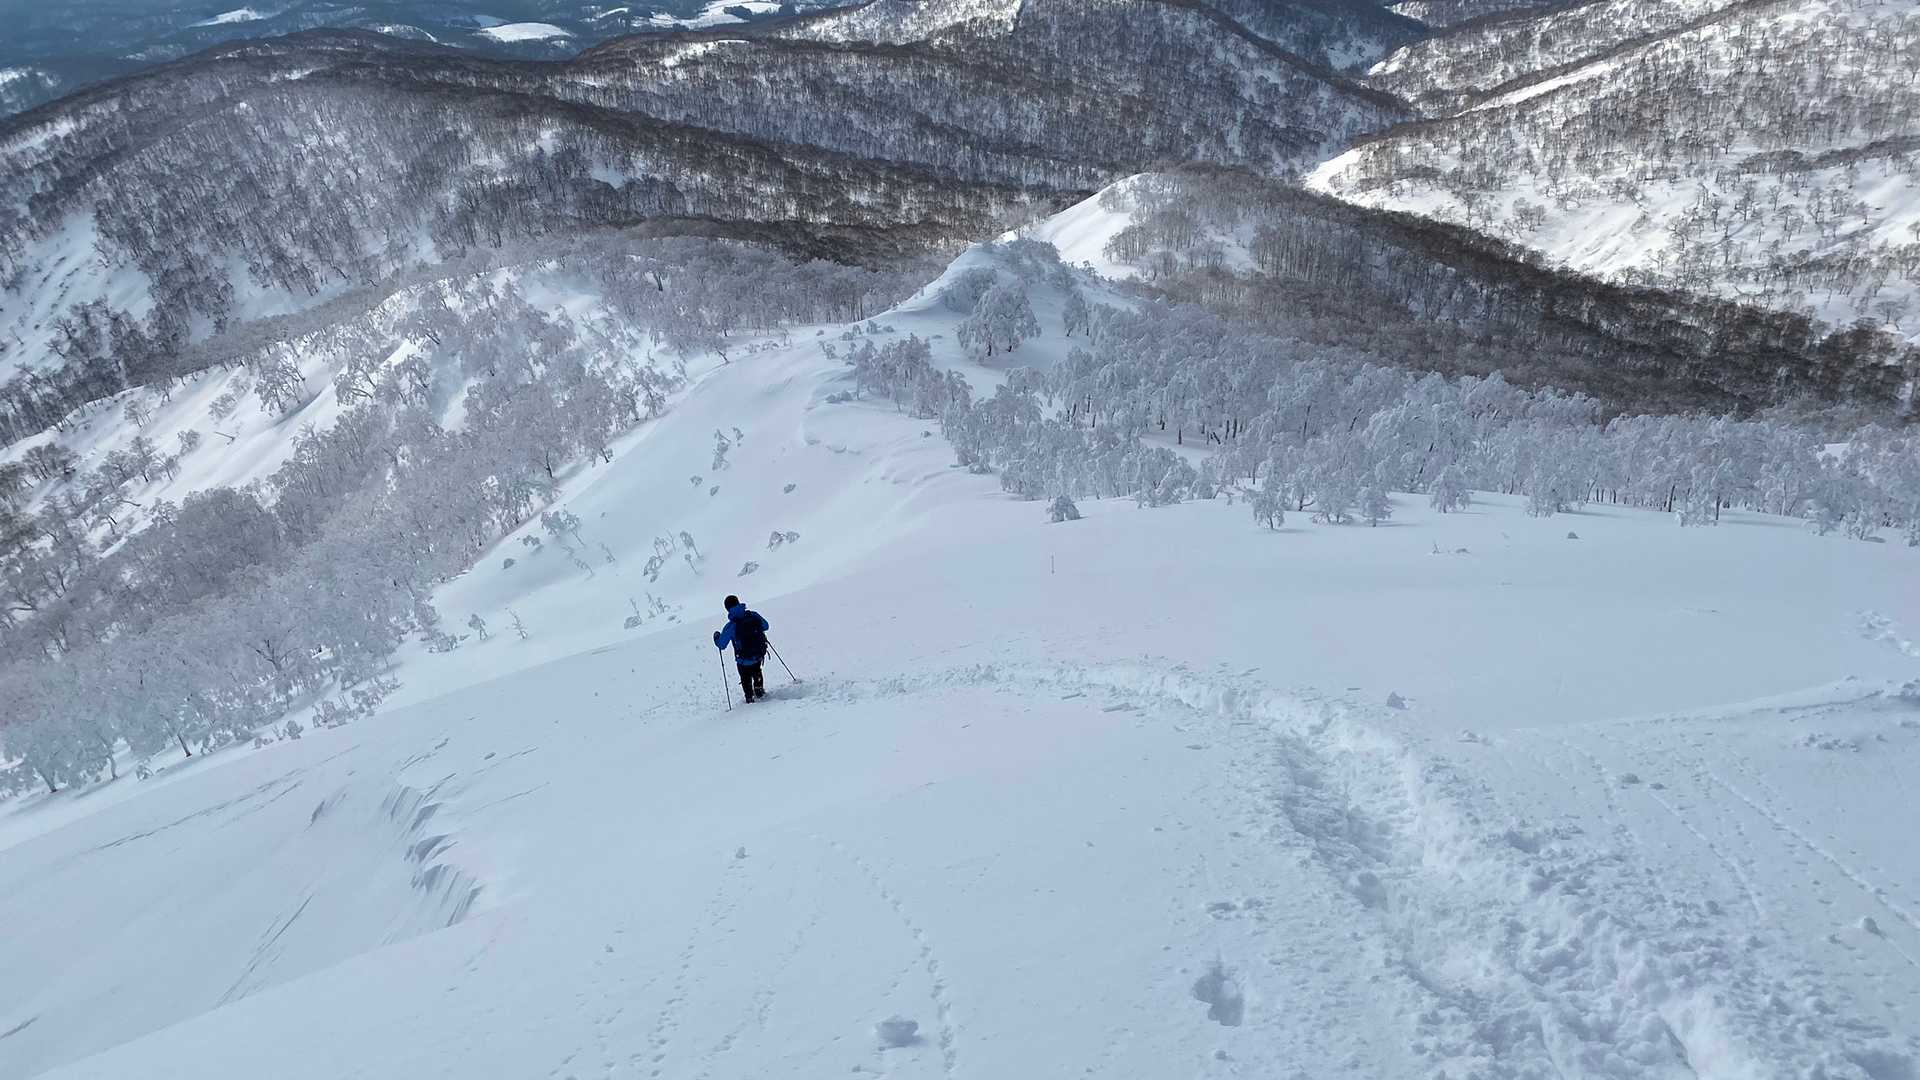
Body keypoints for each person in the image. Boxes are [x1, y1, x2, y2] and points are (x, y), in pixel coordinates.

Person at [713, 594, 771, 702]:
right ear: (738, 602)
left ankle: (749, 698)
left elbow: (721, 645)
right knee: (757, 671)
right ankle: (759, 691)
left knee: (745, 678)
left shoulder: (731, 626)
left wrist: (716, 637)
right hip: (758, 655)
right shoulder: (753, 615)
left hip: (743, 660)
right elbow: (766, 626)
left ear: (727, 609)